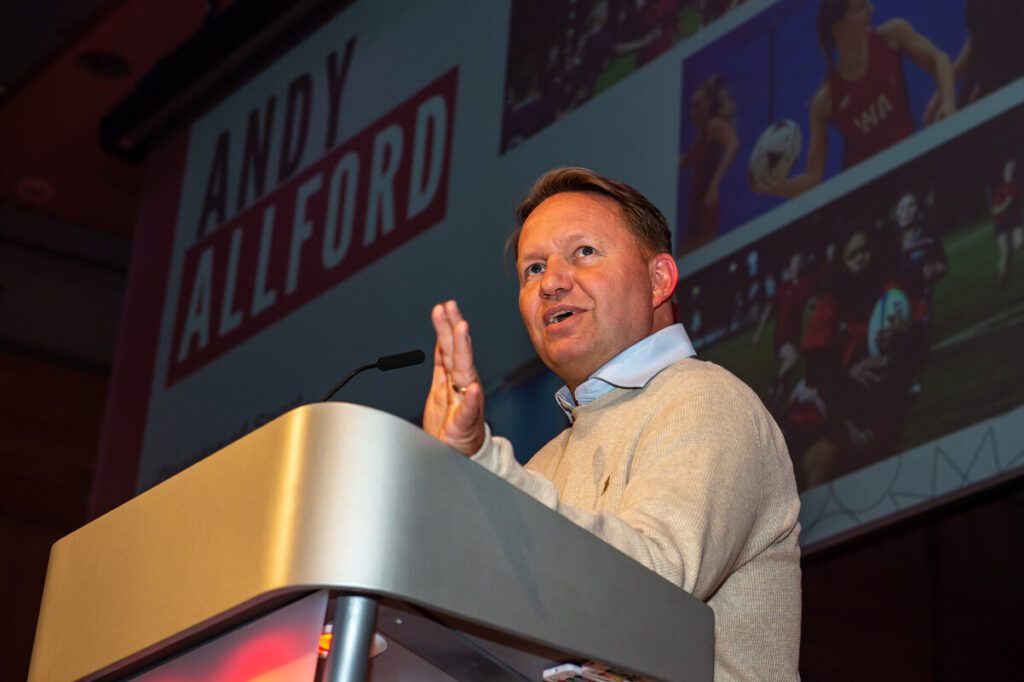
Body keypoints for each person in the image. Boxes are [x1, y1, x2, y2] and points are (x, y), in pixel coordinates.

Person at [421, 167, 801, 679]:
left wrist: (481, 463)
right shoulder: (545, 463)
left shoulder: (705, 398)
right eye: (533, 269)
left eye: (584, 253)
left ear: (659, 279)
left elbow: (647, 590)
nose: (551, 282)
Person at [755, 0, 955, 198]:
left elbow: (939, 59)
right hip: (866, 190)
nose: (871, 9)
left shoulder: (893, 35)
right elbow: (813, 177)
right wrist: (774, 186)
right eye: (860, 8)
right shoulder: (825, 100)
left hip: (910, 165)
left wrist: (947, 101)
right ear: (838, 29)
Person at [678, 73, 739, 252]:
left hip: (705, 204)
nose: (693, 111)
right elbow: (686, 160)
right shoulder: (703, 132)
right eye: (691, 106)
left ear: (709, 104)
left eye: (698, 105)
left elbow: (733, 144)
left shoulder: (715, 125)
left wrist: (713, 187)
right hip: (696, 205)